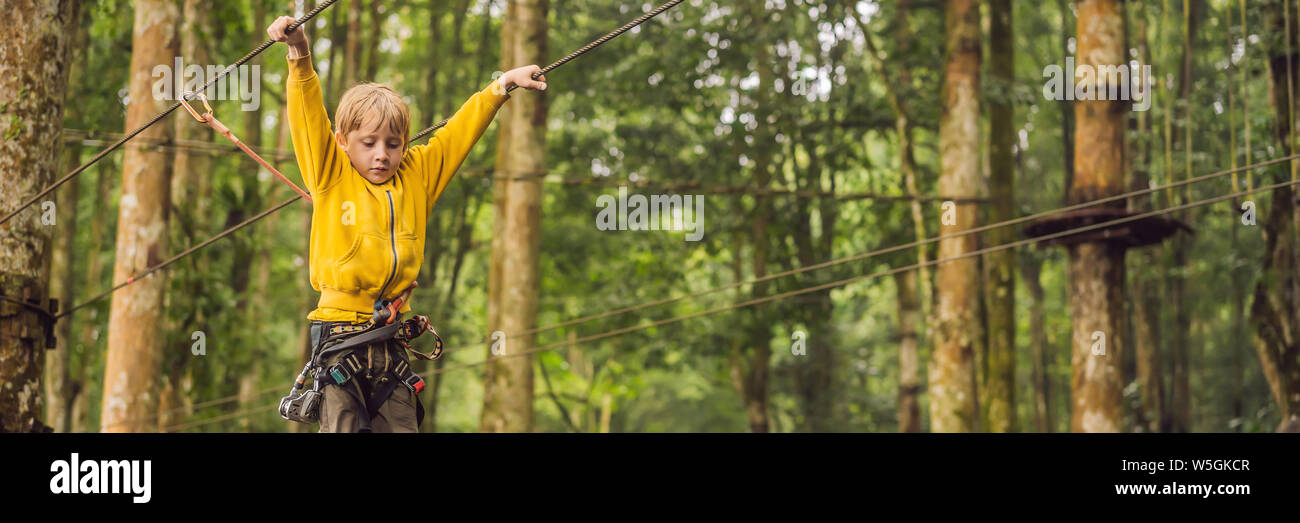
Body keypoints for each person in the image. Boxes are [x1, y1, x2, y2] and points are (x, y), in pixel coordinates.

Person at [267, 15, 547, 432]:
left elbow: (456, 135)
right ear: (343, 142)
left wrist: (501, 86)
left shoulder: (417, 175)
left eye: (393, 144)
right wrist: (299, 54)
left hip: (391, 340)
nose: (381, 155)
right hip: (340, 339)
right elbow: (307, 117)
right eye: (369, 143)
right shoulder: (330, 172)